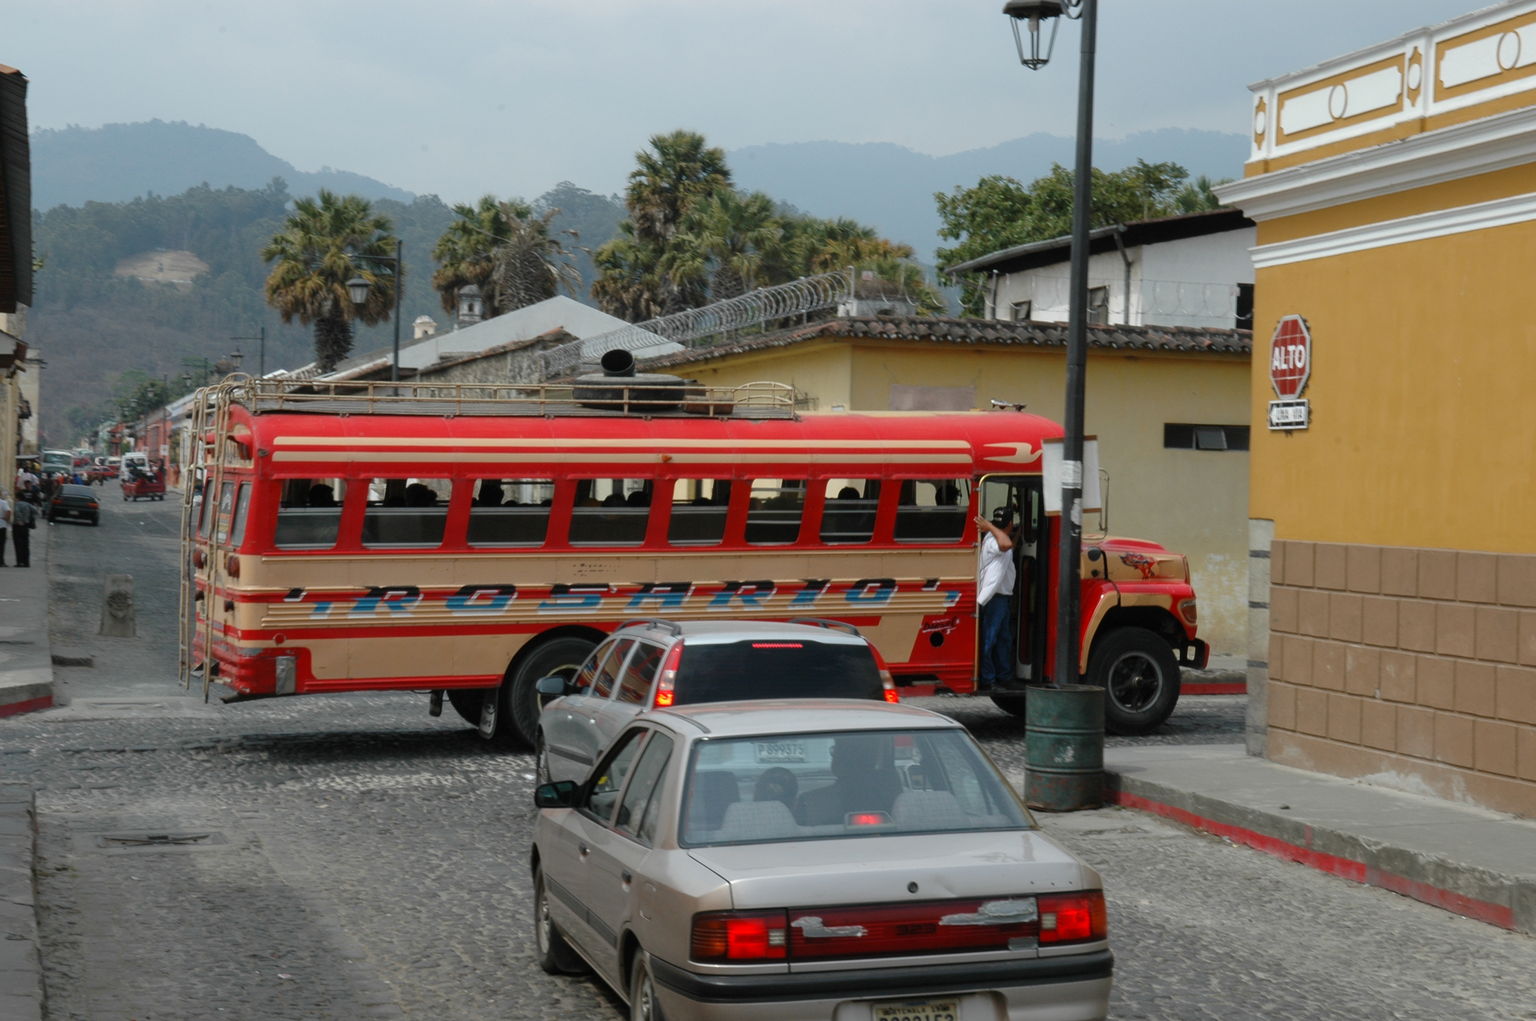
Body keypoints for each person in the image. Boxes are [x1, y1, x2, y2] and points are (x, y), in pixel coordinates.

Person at [975, 505, 1018, 691]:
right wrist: (992, 528)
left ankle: (1004, 676)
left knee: (1003, 639)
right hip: (994, 598)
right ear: (1010, 524)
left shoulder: (997, 536)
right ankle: (989, 679)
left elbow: (1010, 544)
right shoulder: (993, 540)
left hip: (1003, 598)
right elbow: (1006, 545)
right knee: (990, 639)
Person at [10, 488, 36, 567]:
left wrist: (20, 520)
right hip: (26, 526)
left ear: (18, 498)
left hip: (18, 526)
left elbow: (17, 512)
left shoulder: (18, 504)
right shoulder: (27, 504)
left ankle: (19, 562)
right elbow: (35, 511)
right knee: (25, 544)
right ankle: (26, 562)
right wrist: (27, 518)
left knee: (18, 545)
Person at [0, 490, 9, 567]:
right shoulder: (3, 502)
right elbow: (8, 511)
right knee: (1, 544)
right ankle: (1, 561)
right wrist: (7, 519)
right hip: (2, 525)